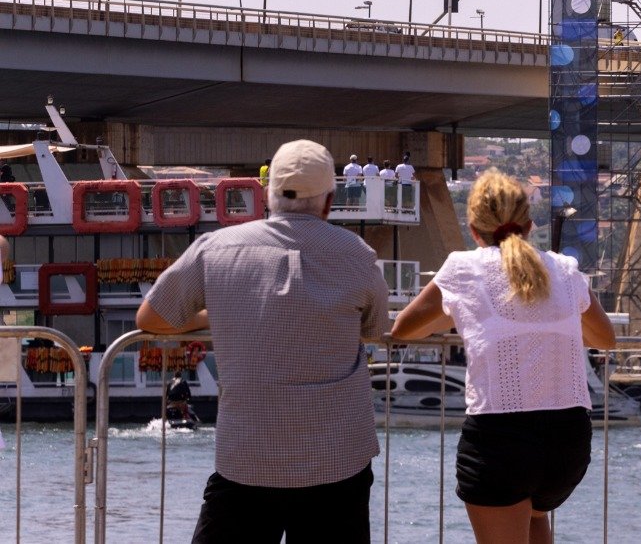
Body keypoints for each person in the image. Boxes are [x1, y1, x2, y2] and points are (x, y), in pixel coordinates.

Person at [137, 139, 390, 543]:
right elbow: (375, 329)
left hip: (247, 457)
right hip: (337, 459)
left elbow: (152, 317)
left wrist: (219, 314)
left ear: (268, 194)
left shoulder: (216, 248)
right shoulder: (357, 255)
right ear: (329, 201)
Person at [391, 170, 616, 544]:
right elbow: (605, 338)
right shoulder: (564, 269)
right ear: (529, 225)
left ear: (473, 230)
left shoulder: (463, 268)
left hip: (501, 439)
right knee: (534, 518)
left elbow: (404, 329)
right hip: (567, 441)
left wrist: (460, 313)